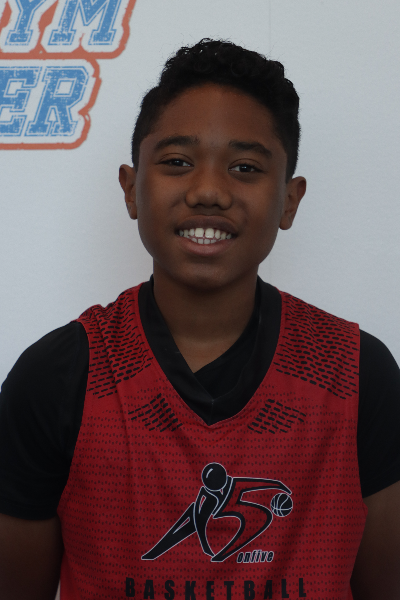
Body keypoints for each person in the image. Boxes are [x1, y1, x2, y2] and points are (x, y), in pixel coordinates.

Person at [0, 39, 400, 600]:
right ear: (131, 188)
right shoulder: (59, 377)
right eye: (177, 163)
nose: (209, 191)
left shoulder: (356, 374)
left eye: (245, 167)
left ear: (289, 200)